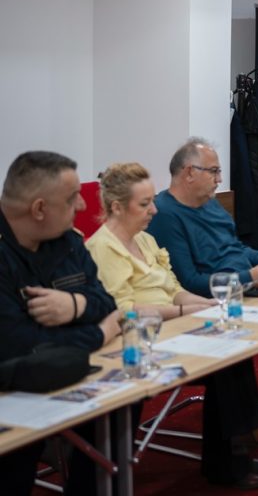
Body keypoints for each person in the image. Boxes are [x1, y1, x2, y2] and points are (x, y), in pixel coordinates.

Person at [86, 162, 258, 490]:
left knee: (232, 344)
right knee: (223, 357)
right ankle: (231, 457)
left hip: (170, 324)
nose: (154, 210)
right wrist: (183, 310)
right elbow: (124, 311)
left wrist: (205, 304)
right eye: (145, 204)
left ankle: (243, 441)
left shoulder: (144, 240)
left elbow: (173, 287)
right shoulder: (102, 248)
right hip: (138, 339)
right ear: (116, 207)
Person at [0, 152, 122, 496]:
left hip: (58, 372)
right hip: (11, 390)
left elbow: (106, 302)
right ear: (39, 209)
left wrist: (74, 305)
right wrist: (99, 332)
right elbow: (21, 347)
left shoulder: (66, 240)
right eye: (71, 198)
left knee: (118, 406)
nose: (82, 205)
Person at [147, 138, 258, 297]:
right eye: (214, 171)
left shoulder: (210, 202)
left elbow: (236, 249)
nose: (219, 179)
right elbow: (188, 282)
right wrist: (248, 278)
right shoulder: (164, 214)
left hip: (251, 280)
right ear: (190, 173)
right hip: (225, 295)